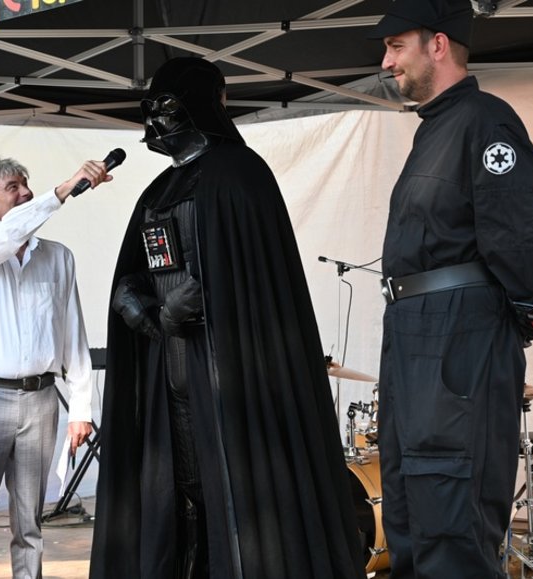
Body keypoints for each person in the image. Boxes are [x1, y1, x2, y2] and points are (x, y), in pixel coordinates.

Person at [89, 57, 365, 579]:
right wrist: (145, 312)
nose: (154, 122)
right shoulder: (156, 192)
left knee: (232, 498)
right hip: (169, 378)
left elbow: (244, 281)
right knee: (183, 497)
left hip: (230, 382)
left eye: (164, 107)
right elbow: (133, 276)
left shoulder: (240, 174)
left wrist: (180, 306)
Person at [367, 1, 533, 577]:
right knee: (408, 505)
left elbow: (531, 232)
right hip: (413, 335)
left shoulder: (486, 120)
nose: (386, 62)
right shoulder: (434, 130)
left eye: (395, 46)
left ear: (438, 45)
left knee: (450, 510)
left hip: (458, 336)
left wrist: (528, 314)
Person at [0, 157, 111, 579]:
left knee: (30, 522)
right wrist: (60, 191)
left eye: (27, 185)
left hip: (40, 402)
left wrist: (80, 407)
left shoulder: (58, 257)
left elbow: (72, 333)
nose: (24, 192)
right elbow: (8, 235)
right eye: (13, 187)